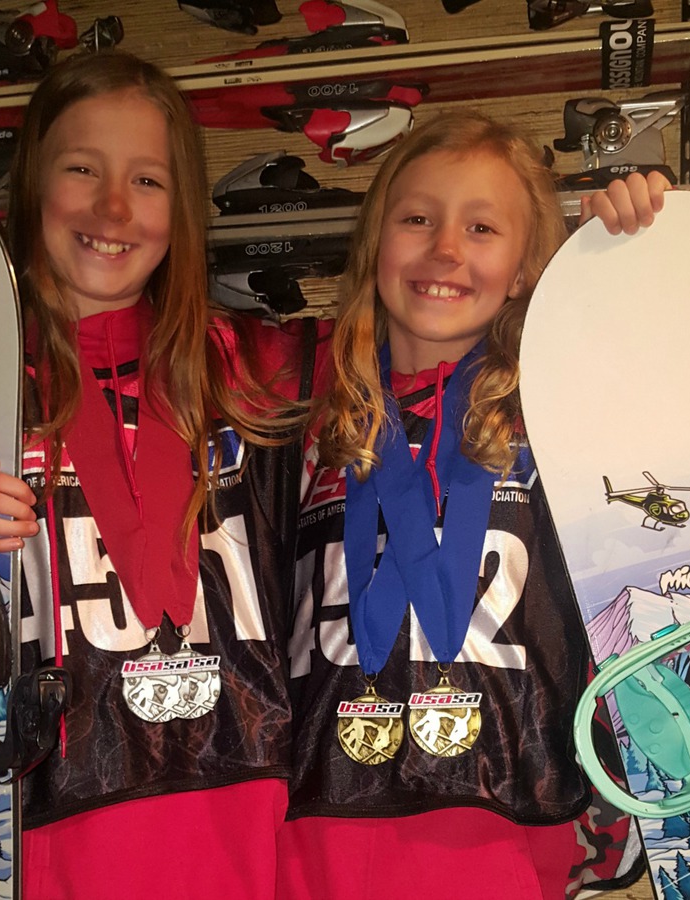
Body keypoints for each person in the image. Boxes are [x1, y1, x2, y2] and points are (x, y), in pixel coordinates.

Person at [0, 51, 318, 899]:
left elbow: (428, 359)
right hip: (38, 847)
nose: (114, 207)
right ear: (32, 184)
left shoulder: (250, 368)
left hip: (235, 837)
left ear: (182, 208)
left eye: (148, 181)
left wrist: (591, 265)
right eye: (83, 169)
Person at [278, 109, 669, 899]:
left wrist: (637, 262)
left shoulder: (569, 404)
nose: (445, 250)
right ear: (375, 243)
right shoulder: (298, 402)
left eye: (483, 228)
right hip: (317, 834)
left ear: (527, 267)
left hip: (511, 831)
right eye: (417, 219)